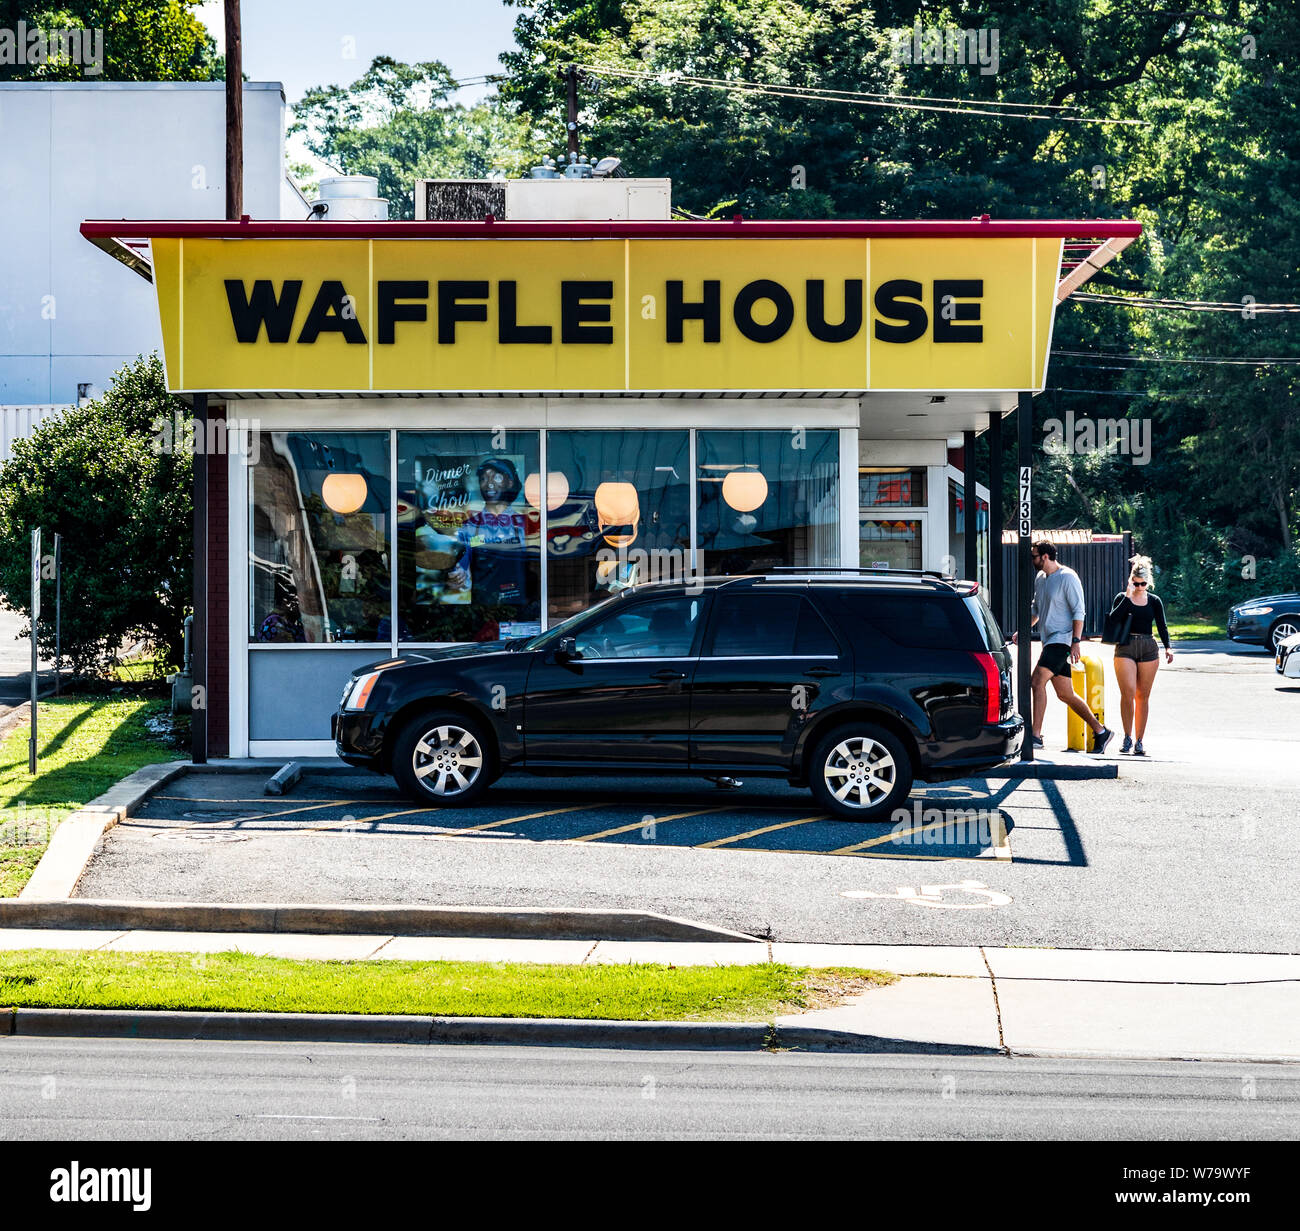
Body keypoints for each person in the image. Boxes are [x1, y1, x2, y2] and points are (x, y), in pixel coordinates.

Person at [1011, 539, 1114, 753]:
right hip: (1050, 640)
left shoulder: (1068, 577)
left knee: (1037, 681)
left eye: (1034, 556)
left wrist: (1076, 642)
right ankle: (1101, 731)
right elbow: (1036, 610)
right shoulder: (1041, 578)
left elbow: (1079, 611)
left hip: (1062, 640)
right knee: (1065, 694)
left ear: (1045, 557)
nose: (1032, 560)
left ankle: (1036, 736)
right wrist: (1024, 630)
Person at [1107, 554, 1173, 756]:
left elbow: (1162, 626)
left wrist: (1168, 647)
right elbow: (1113, 620)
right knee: (1127, 693)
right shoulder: (1122, 597)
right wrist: (1127, 598)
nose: (1139, 587)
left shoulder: (1154, 601)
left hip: (1148, 646)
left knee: (1142, 696)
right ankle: (1126, 737)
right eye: (1136, 583)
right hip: (1126, 646)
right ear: (1130, 581)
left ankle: (1140, 740)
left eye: (1143, 583)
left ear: (1148, 582)